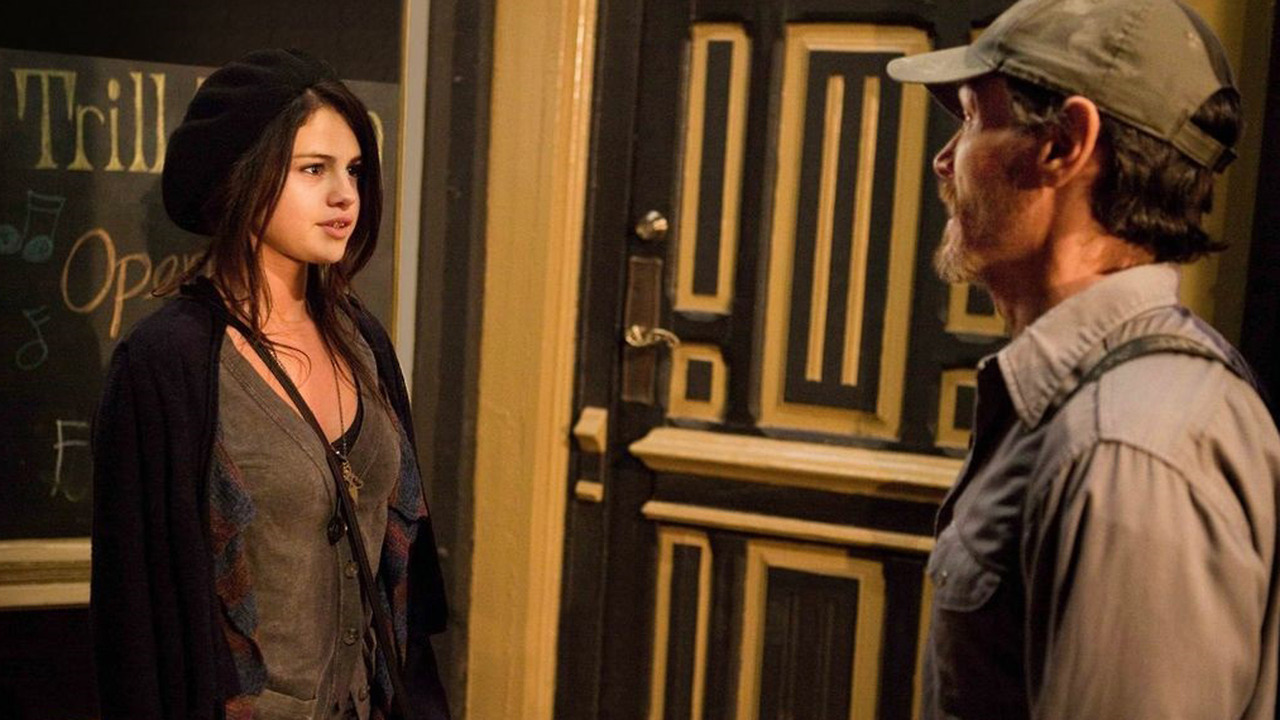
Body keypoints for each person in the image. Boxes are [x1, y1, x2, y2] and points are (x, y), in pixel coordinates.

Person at [887, 0, 1280, 717]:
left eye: (972, 119)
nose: (945, 160)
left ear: (1065, 144)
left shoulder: (1128, 444)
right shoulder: (1101, 403)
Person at [91, 49, 449, 720]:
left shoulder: (362, 340)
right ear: (243, 177)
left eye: (354, 170)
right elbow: (133, 614)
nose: (345, 195)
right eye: (314, 169)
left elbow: (402, 584)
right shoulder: (168, 362)